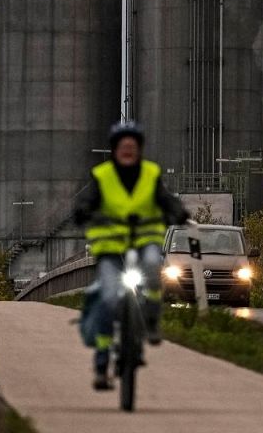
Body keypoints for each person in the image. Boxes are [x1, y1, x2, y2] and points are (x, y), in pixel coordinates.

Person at [72, 120, 190, 391]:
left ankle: (150, 318)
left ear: (139, 149)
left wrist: (178, 210)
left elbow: (165, 198)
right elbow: (87, 201)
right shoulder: (102, 176)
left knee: (152, 265)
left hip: (143, 242)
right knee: (109, 299)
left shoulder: (150, 173)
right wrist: (83, 210)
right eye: (123, 146)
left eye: (132, 146)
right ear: (114, 150)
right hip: (111, 250)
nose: (128, 150)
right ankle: (102, 365)